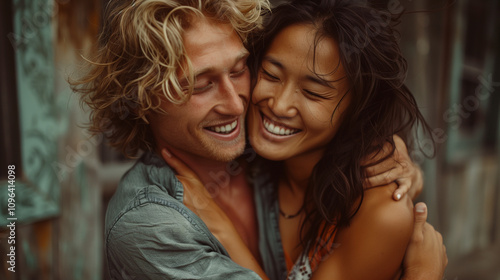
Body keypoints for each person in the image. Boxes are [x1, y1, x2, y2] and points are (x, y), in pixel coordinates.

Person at [70, 0, 446, 279]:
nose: (237, 104)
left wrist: (400, 162)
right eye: (201, 85)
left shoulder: (261, 150)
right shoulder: (148, 226)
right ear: (144, 97)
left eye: (239, 71)